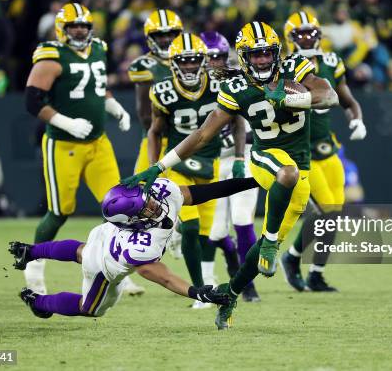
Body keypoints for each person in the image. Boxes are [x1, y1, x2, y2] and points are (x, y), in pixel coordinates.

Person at [123, 21, 339, 329]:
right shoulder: (235, 87)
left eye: (267, 53)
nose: (263, 60)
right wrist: (159, 166)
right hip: (266, 157)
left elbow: (328, 96)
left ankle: (230, 293)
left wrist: (293, 98)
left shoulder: (294, 65)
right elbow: (202, 135)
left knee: (268, 237)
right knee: (286, 176)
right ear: (243, 56)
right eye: (256, 54)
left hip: (301, 166)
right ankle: (269, 242)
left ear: (277, 53)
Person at [8, 177, 262, 319]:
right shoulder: (141, 245)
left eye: (148, 199)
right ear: (132, 221)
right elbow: (163, 277)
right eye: (146, 208)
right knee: (90, 308)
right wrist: (197, 293)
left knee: (82, 250)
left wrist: (250, 182)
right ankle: (38, 301)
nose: (153, 204)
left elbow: (202, 192)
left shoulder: (159, 192)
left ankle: (30, 251)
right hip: (103, 264)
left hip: (105, 236)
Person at [23, 3, 143, 296]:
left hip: (98, 142)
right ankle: (33, 263)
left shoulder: (99, 49)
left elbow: (98, 87)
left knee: (119, 207)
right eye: (73, 26)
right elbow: (32, 101)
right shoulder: (51, 56)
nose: (79, 30)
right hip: (64, 145)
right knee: (60, 212)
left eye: (84, 26)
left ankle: (119, 269)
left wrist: (115, 108)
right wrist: (65, 122)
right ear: (61, 29)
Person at [280, 10, 367, 292]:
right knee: (326, 212)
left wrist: (357, 118)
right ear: (290, 38)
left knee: (333, 214)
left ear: (319, 35)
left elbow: (347, 100)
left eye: (311, 33)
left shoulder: (331, 61)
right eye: (300, 34)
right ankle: (293, 259)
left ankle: (314, 272)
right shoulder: (285, 67)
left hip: (328, 149)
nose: (306, 38)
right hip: (300, 150)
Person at [147, 33, 224, 309]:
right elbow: (155, 131)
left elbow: (237, 121)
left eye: (194, 60)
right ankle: (200, 292)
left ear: (204, 60)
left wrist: (239, 155)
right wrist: (154, 168)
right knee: (191, 229)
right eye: (184, 61)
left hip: (209, 163)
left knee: (204, 234)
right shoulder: (163, 91)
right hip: (177, 164)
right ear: (173, 63)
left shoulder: (219, 83)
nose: (190, 66)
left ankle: (202, 283)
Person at [200, 31, 260, 302]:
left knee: (242, 218)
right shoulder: (190, 85)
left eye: (220, 57)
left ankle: (247, 283)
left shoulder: (239, 78)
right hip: (211, 161)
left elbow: (247, 124)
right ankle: (234, 266)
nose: (215, 63)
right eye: (210, 57)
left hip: (242, 154)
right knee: (214, 231)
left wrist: (239, 155)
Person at [128, 9, 183, 174]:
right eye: (160, 35)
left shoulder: (192, 61)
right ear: (150, 38)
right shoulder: (145, 65)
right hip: (159, 138)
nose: (166, 39)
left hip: (189, 139)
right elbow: (145, 115)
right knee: (139, 193)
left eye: (170, 34)